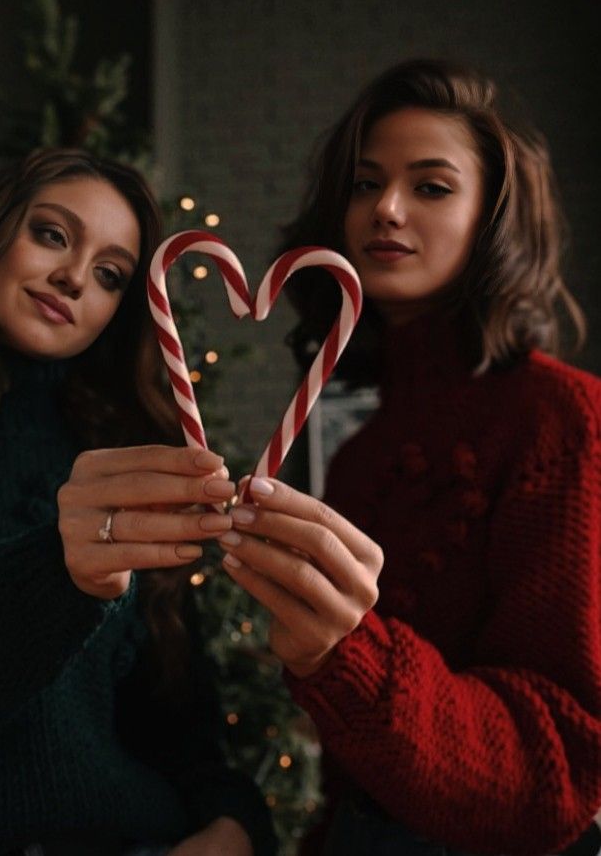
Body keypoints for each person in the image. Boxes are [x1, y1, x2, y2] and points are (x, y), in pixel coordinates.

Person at [217, 60, 601, 855]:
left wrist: (343, 652)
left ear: (493, 216)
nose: (385, 209)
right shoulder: (361, 450)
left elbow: (556, 770)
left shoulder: (561, 421)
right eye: (364, 184)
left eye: (430, 186)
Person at [0, 148, 276, 856]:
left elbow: (182, 735)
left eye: (110, 276)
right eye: (50, 234)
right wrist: (61, 575)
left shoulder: (128, 461)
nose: (74, 278)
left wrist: (233, 827)